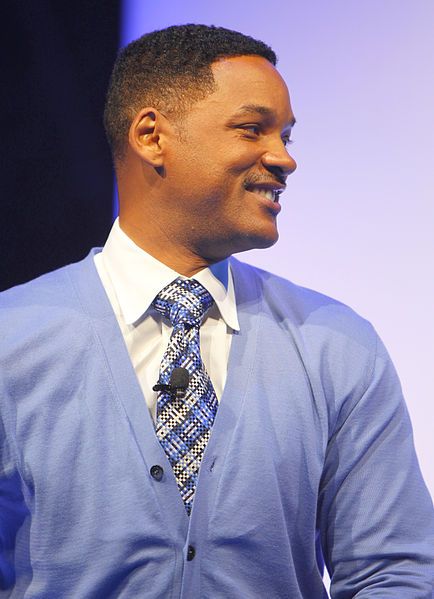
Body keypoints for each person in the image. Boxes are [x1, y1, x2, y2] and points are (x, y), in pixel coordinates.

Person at [0, 24, 433, 599]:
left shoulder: (337, 345)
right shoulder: (11, 339)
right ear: (152, 136)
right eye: (252, 129)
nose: (284, 159)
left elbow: (394, 573)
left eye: (286, 136)